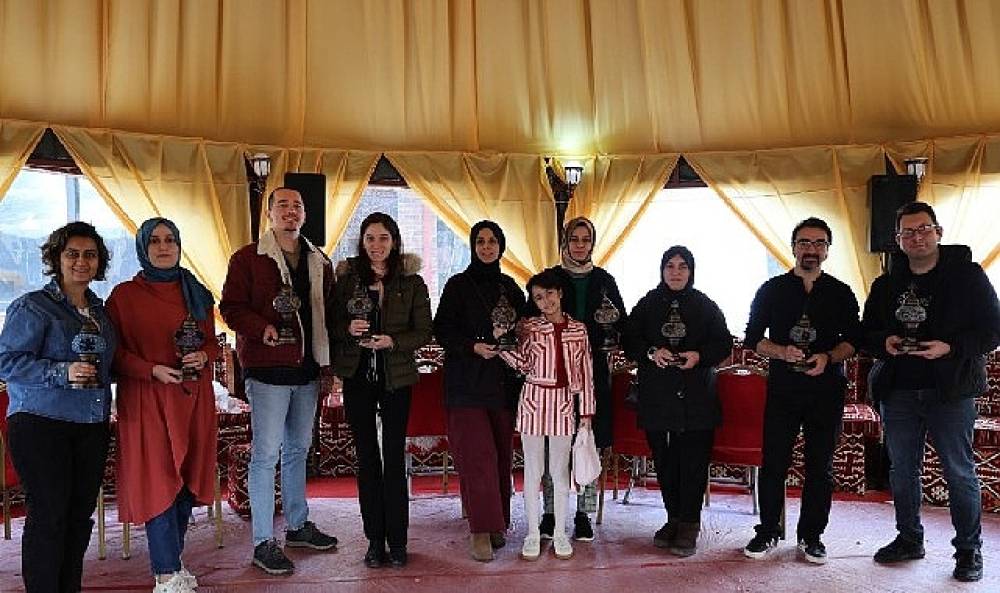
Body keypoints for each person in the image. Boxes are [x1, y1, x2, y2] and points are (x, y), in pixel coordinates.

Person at [862, 201, 999, 583]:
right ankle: (909, 539)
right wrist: (884, 341)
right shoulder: (885, 283)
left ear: (938, 232)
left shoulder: (968, 276)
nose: (916, 237)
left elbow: (993, 330)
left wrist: (950, 348)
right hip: (899, 392)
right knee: (902, 471)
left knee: (959, 471)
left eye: (923, 229)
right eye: (908, 232)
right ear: (898, 239)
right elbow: (865, 333)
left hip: (951, 391)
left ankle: (969, 551)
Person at [220, 187, 338, 576]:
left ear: (305, 215)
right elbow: (230, 307)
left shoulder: (319, 260)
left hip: (307, 369)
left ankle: (297, 526)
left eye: (297, 206)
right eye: (282, 205)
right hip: (267, 369)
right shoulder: (247, 258)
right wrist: (262, 328)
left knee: (298, 450)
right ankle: (262, 542)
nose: (290, 211)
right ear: (269, 214)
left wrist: (327, 369)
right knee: (266, 454)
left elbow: (328, 316)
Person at [0, 221, 117, 593]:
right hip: (40, 424)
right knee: (49, 517)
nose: (81, 262)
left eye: (90, 255)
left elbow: (109, 366)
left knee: (79, 518)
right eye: (72, 254)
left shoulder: (101, 312)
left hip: (91, 425)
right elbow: (6, 362)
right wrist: (61, 372)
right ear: (56, 258)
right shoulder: (33, 306)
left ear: (99, 262)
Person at [105, 218, 218, 592]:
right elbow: (112, 355)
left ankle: (173, 562)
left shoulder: (196, 292)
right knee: (159, 481)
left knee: (185, 482)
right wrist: (150, 369)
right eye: (154, 241)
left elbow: (211, 342)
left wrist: (204, 355)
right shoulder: (123, 297)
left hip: (192, 398)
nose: (164, 246)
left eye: (170, 239)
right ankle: (166, 574)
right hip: (147, 401)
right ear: (142, 247)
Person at [742, 217, 861, 564]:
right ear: (793, 247)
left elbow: (855, 341)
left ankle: (811, 536)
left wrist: (828, 357)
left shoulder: (841, 292)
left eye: (819, 243)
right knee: (773, 462)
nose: (811, 249)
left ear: (827, 250)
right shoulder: (771, 290)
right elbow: (752, 338)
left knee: (820, 467)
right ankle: (767, 531)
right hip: (783, 389)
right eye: (805, 242)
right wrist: (781, 351)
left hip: (827, 390)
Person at [332, 212, 432, 569]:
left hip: (396, 381)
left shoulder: (412, 282)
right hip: (357, 378)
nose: (376, 245)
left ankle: (398, 541)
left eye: (383, 238)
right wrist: (348, 329)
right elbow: (331, 325)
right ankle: (374, 540)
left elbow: (424, 331)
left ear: (394, 242)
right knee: (367, 460)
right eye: (370, 238)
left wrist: (393, 341)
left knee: (392, 458)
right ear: (362, 242)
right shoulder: (346, 281)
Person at [623, 246, 732, 557]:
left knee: (693, 462)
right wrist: (651, 352)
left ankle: (689, 524)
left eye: (682, 266)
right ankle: (673, 518)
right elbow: (629, 339)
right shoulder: (647, 303)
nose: (676, 272)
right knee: (665, 461)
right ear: (661, 270)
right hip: (657, 397)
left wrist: (699, 355)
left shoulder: (705, 305)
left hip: (697, 397)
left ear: (691, 271)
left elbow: (723, 343)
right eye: (669, 266)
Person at [524, 216, 626, 542]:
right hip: (552, 377)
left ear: (592, 243)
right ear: (565, 243)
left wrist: (614, 337)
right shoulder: (551, 278)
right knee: (553, 447)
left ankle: (583, 514)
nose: (580, 245)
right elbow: (530, 321)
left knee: (586, 442)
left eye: (586, 239)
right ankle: (550, 514)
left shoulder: (605, 280)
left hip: (592, 372)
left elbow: (621, 323)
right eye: (574, 239)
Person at [433, 220, 525, 562]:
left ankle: (497, 522)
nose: (487, 247)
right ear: (472, 246)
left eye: (492, 241)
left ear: (501, 246)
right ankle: (480, 531)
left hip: (502, 385)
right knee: (477, 458)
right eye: (481, 241)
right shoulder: (458, 285)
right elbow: (442, 330)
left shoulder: (510, 288)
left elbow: (523, 329)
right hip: (466, 385)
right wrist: (473, 346)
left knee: (501, 457)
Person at [499, 269, 595, 561]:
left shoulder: (579, 330)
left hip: (564, 402)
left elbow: (586, 372)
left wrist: (587, 413)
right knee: (532, 471)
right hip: (533, 399)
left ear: (560, 293)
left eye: (549, 294)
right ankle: (532, 533)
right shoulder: (530, 328)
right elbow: (524, 364)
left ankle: (560, 533)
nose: (546, 301)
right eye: (539, 297)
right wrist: (502, 346)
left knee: (560, 472)